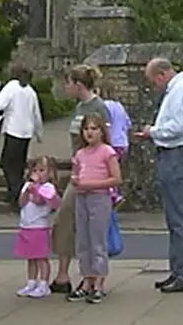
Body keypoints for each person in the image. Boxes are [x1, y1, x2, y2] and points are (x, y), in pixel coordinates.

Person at [131, 56, 183, 293]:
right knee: (174, 219)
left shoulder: (181, 91)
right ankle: (179, 270)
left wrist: (152, 131)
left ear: (162, 74)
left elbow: (179, 126)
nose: (155, 86)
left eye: (154, 82)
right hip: (171, 155)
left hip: (176, 155)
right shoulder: (177, 90)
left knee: (180, 218)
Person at [49, 64, 109, 295]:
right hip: (78, 172)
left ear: (78, 85)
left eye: (68, 83)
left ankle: (90, 279)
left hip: (91, 176)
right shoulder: (80, 107)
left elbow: (106, 141)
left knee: (79, 225)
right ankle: (65, 275)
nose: (65, 87)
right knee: (69, 223)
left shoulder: (98, 107)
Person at [68, 113, 121, 304]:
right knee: (83, 240)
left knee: (98, 240)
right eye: (86, 129)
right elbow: (76, 175)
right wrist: (76, 181)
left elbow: (116, 178)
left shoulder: (107, 152)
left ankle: (99, 281)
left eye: (94, 128)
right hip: (81, 197)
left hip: (99, 198)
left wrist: (93, 184)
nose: (89, 132)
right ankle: (86, 279)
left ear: (101, 131)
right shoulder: (80, 154)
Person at [0, 66, 45, 205]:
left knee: (6, 162)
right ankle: (13, 195)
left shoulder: (12, 87)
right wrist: (39, 133)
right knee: (18, 164)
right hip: (26, 133)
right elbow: (36, 114)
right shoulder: (31, 92)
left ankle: (18, 191)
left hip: (13, 130)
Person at [14, 156, 61, 298]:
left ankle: (43, 284)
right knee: (30, 257)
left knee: (41, 257)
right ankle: (31, 282)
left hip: (39, 227)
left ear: (50, 172)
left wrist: (35, 189)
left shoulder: (48, 188)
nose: (38, 173)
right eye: (35, 170)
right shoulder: (27, 186)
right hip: (26, 225)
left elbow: (40, 201)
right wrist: (27, 191)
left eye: (42, 170)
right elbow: (21, 203)